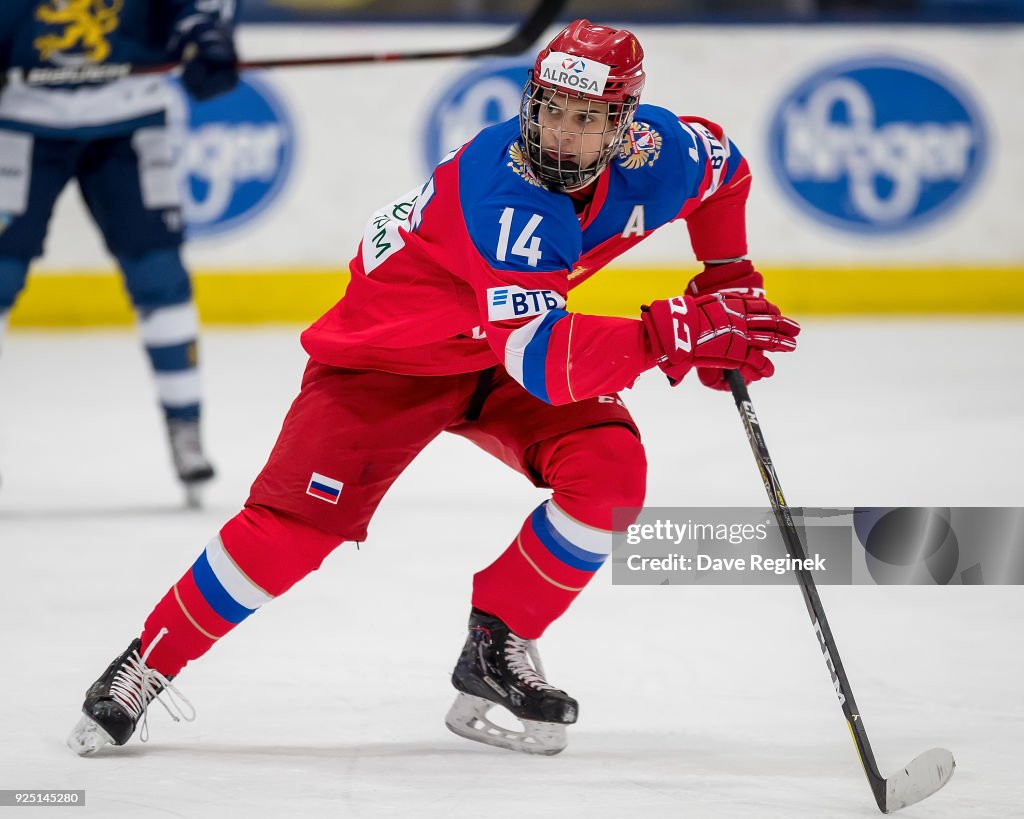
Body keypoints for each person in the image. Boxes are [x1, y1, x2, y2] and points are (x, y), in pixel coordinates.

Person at [67, 19, 800, 757]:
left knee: (609, 476)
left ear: (623, 125)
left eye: (585, 119)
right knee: (292, 530)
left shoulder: (661, 152)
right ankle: (147, 664)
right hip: (387, 363)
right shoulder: (506, 196)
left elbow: (726, 170)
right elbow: (543, 361)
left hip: (496, 347)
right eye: (550, 109)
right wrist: (675, 333)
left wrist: (728, 278)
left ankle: (497, 643)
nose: (559, 134)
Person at [0, 1, 239, 502]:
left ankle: (186, 429)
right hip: (21, 120)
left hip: (130, 116)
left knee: (159, 276)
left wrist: (204, 32)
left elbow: (195, 10)